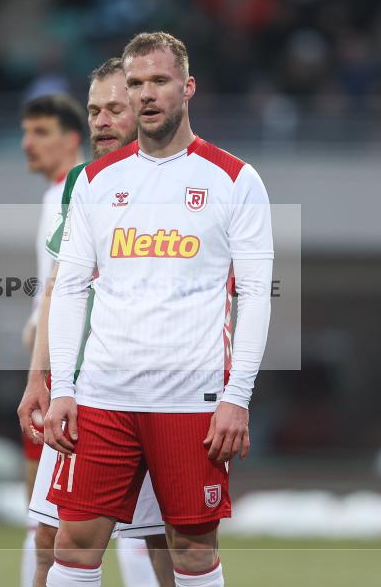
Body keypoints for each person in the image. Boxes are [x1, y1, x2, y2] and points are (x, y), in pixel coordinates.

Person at [43, 32, 273, 587]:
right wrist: (63, 391)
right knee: (73, 545)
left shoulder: (235, 180)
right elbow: (71, 288)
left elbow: (256, 295)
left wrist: (236, 399)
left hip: (191, 400)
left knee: (191, 551)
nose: (147, 94)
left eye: (160, 81)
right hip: (103, 396)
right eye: (137, 83)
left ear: (188, 87)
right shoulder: (97, 181)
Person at [18, 58, 174, 587]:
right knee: (50, 534)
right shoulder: (82, 186)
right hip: (85, 393)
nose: (102, 122)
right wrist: (39, 379)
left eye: (115, 109)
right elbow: (58, 289)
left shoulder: (183, 185)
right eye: (94, 111)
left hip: (161, 393)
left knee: (168, 540)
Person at [19, 93, 86, 587]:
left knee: (46, 518)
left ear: (71, 139)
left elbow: (60, 288)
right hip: (62, 369)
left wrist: (41, 342)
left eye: (41, 133)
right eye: (26, 132)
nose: (28, 144)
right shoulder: (62, 194)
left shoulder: (74, 193)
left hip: (68, 379)